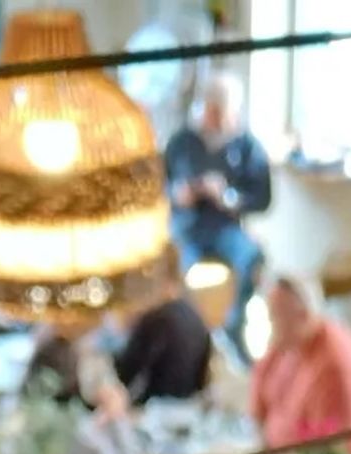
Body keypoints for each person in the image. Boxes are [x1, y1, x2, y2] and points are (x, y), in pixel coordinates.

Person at [164, 73, 271, 351]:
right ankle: (189, 338)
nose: (215, 118)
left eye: (221, 112)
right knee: (175, 270)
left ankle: (230, 331)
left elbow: (262, 198)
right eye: (211, 110)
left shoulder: (247, 146)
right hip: (188, 228)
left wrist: (228, 197)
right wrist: (178, 196)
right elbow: (157, 189)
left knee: (251, 258)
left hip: (228, 228)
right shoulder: (181, 143)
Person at [249, 273, 351, 454]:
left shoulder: (335, 363)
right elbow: (257, 410)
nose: (270, 327)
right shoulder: (284, 346)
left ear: (302, 316)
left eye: (274, 318)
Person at [114, 245, 211, 405]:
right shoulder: (197, 319)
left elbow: (126, 373)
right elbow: (202, 380)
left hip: (154, 413)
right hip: (186, 414)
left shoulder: (156, 319)